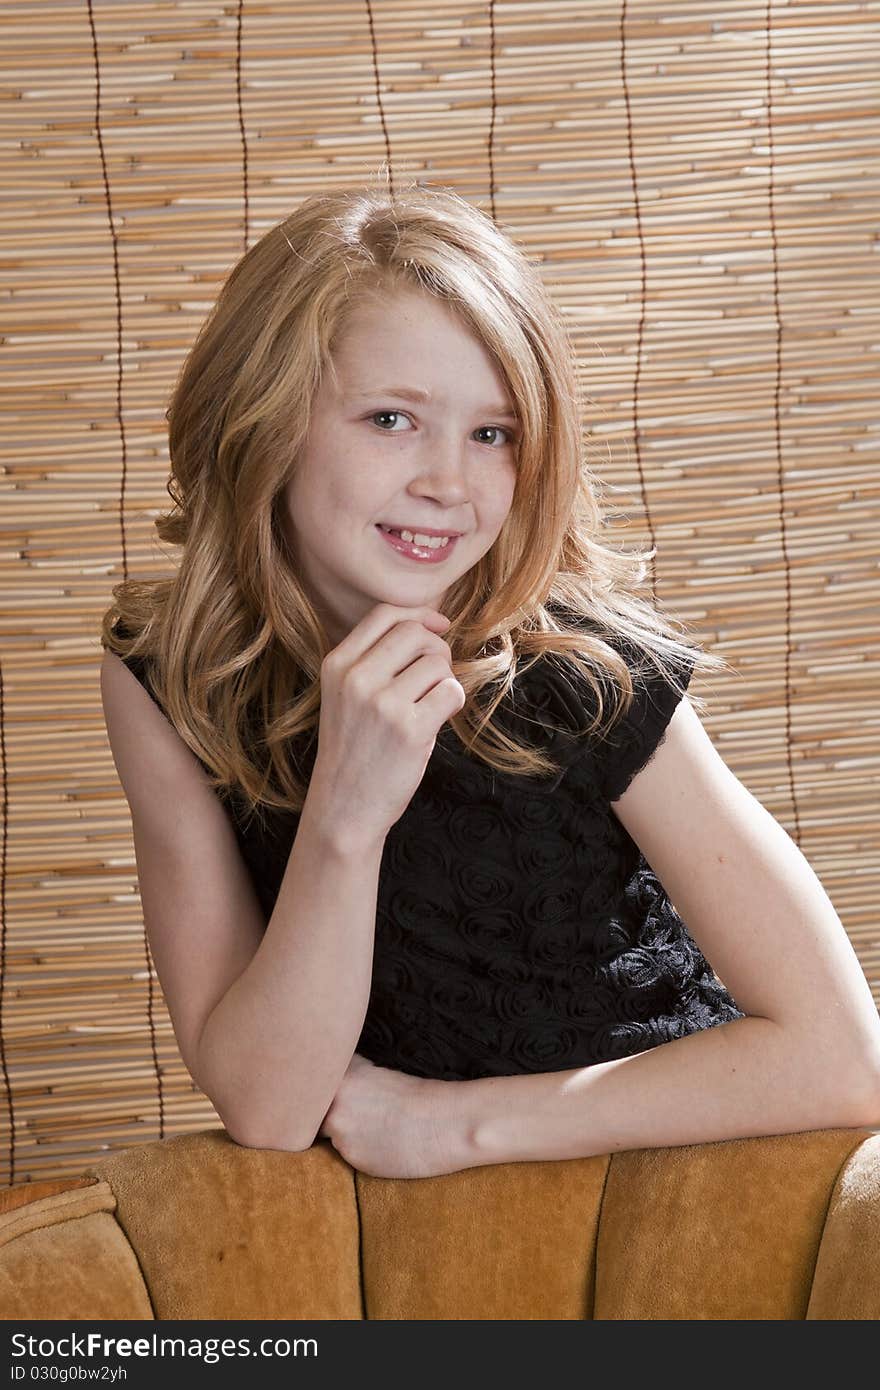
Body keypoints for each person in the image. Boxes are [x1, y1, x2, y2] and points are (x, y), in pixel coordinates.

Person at [100, 178, 880, 1182]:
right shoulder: (171, 673)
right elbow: (268, 1103)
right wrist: (347, 809)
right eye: (389, 419)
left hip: (677, 1199)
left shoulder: (584, 666)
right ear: (264, 421)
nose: (449, 482)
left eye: (492, 433)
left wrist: (456, 1125)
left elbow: (843, 1057)